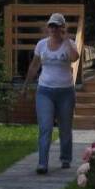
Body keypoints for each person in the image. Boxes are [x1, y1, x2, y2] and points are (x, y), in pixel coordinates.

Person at [22, 13, 79, 175]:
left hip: (65, 92)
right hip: (44, 91)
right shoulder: (41, 45)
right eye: (51, 26)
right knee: (45, 127)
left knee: (65, 128)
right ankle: (42, 163)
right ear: (48, 28)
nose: (53, 29)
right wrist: (26, 86)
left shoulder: (69, 44)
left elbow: (75, 58)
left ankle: (66, 158)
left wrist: (67, 39)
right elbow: (34, 67)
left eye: (57, 26)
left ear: (62, 27)